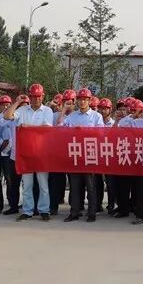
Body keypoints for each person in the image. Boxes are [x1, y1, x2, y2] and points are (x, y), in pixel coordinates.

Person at [2, 83, 54, 221]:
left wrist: (28, 127)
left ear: (43, 96)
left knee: (43, 185)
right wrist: (17, 102)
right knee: (27, 184)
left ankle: (44, 210)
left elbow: (46, 129)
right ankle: (27, 210)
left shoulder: (47, 111)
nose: (36, 99)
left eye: (38, 96)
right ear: (29, 97)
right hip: (26, 154)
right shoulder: (23, 110)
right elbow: (7, 116)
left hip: (41, 153)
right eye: (33, 96)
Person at [59, 88, 104, 223]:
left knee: (91, 186)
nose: (82, 102)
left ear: (89, 101)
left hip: (90, 154)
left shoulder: (96, 116)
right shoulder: (73, 116)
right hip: (75, 154)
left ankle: (91, 213)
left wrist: (84, 131)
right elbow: (60, 127)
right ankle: (74, 212)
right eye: (80, 99)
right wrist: (64, 110)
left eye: (85, 99)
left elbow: (101, 133)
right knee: (75, 185)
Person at [49, 89, 76, 216]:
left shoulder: (77, 116)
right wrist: (63, 110)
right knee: (56, 181)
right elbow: (57, 127)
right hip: (58, 152)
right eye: (65, 101)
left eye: (70, 102)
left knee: (74, 181)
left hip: (73, 152)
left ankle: (75, 206)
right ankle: (53, 206)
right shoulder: (55, 115)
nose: (67, 104)